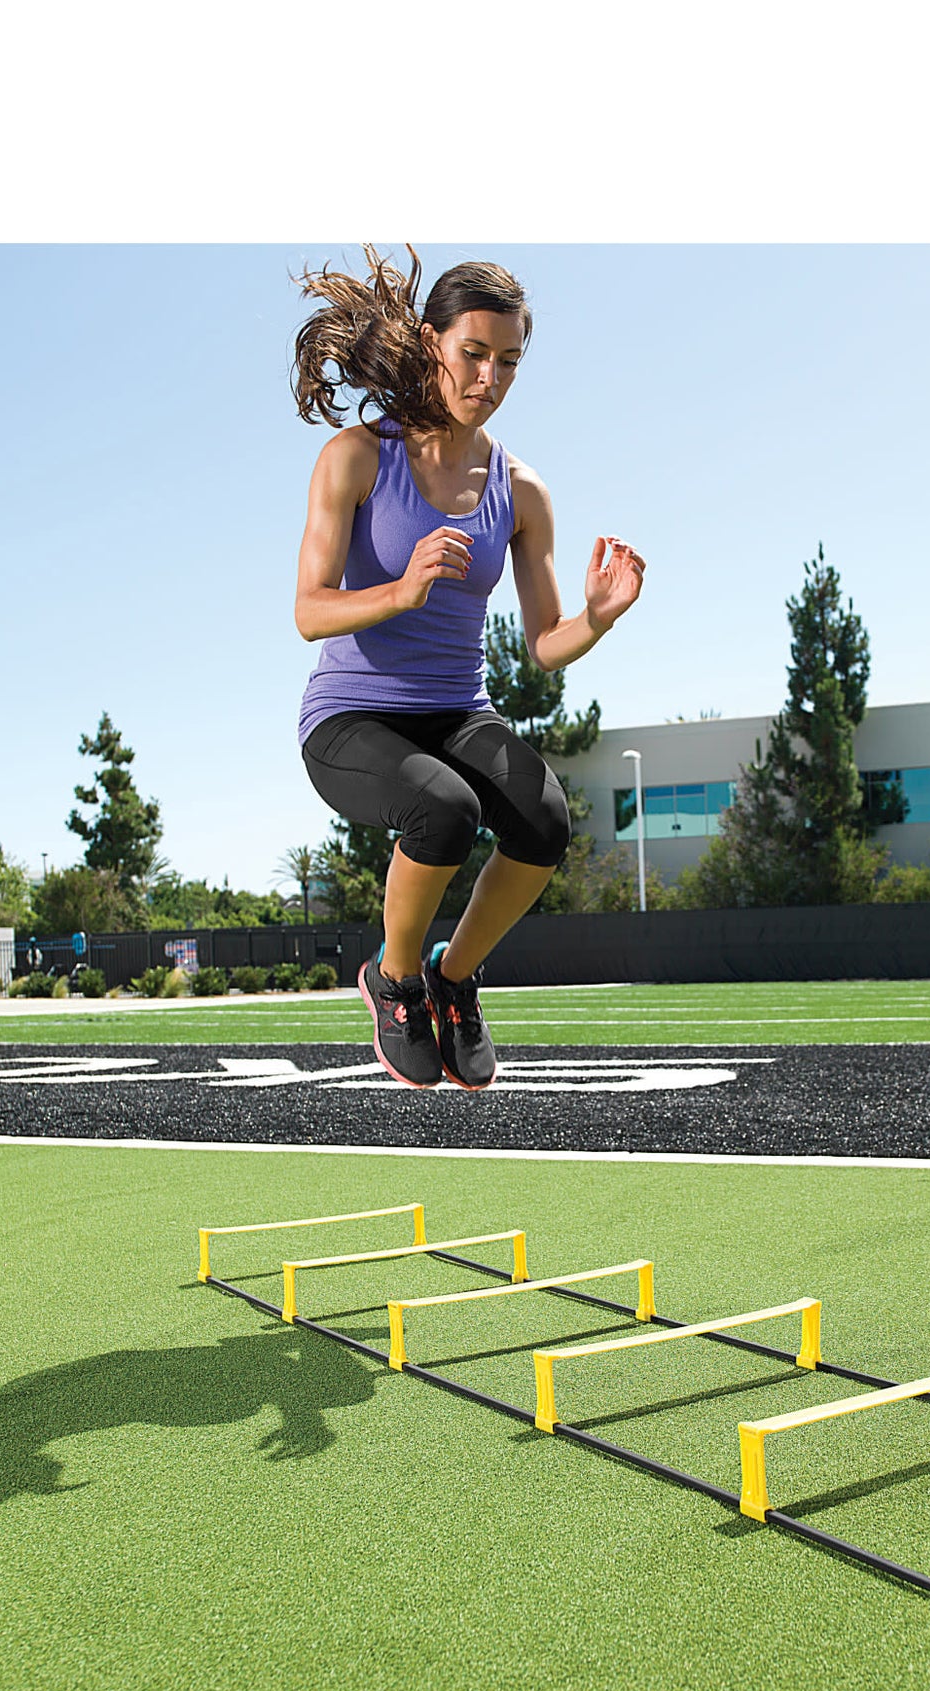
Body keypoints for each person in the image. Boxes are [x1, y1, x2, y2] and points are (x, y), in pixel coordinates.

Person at [291, 246, 645, 1090]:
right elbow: (308, 611)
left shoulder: (520, 491)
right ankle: (395, 981)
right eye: (474, 353)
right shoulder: (356, 457)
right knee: (444, 811)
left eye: (509, 361)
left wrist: (597, 616)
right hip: (350, 720)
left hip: (457, 712)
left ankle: (453, 979)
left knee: (544, 820)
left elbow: (545, 643)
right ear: (432, 342)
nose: (490, 377)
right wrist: (400, 590)